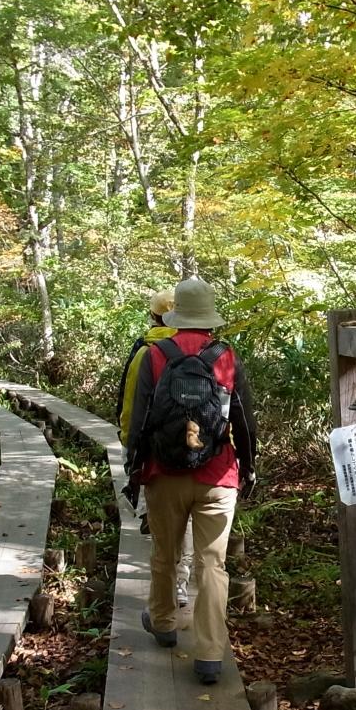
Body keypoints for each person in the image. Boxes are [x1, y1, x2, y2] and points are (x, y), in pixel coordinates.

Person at [125, 276, 256, 685]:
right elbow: (244, 419)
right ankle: (210, 654)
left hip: (164, 474)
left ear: (175, 316)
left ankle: (164, 624)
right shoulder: (226, 356)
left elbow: (140, 419)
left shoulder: (155, 354)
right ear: (210, 317)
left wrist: (134, 469)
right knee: (212, 564)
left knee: (165, 554)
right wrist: (248, 466)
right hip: (218, 474)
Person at [117, 288, 193, 607]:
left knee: (163, 517)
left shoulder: (146, 352)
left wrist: (128, 444)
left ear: (153, 316)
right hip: (198, 448)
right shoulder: (201, 349)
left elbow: (131, 403)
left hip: (156, 450)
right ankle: (182, 582)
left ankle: (164, 594)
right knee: (187, 520)